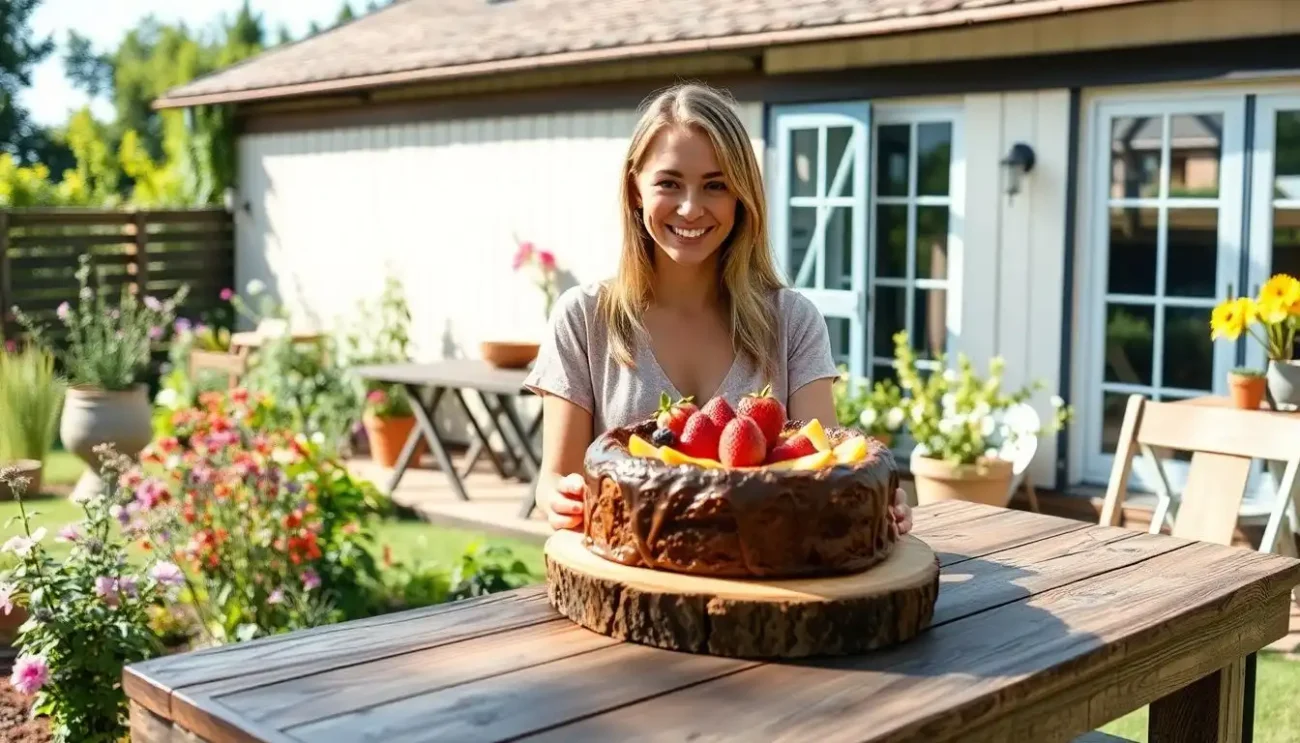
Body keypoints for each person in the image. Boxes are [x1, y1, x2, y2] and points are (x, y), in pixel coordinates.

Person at [523, 82, 913, 536]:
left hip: (770, 582)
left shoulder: (792, 321)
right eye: (669, 183)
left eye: (715, 185)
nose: (691, 208)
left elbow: (823, 466)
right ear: (635, 190)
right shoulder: (584, 319)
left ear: (741, 198)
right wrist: (557, 497)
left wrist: (870, 495)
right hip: (636, 577)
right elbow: (558, 477)